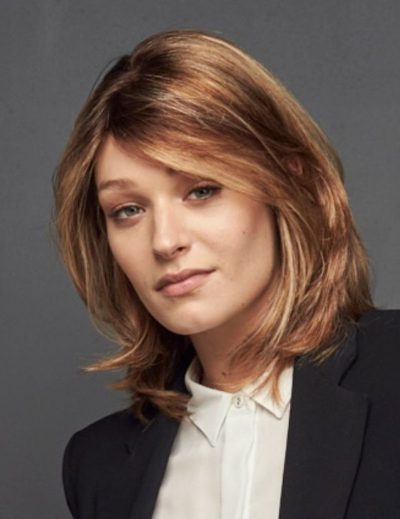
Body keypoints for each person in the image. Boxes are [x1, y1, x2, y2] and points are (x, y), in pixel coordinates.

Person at [54, 29, 400, 519]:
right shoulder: (99, 468)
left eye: (201, 190)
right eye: (128, 210)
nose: (164, 240)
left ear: (288, 184)